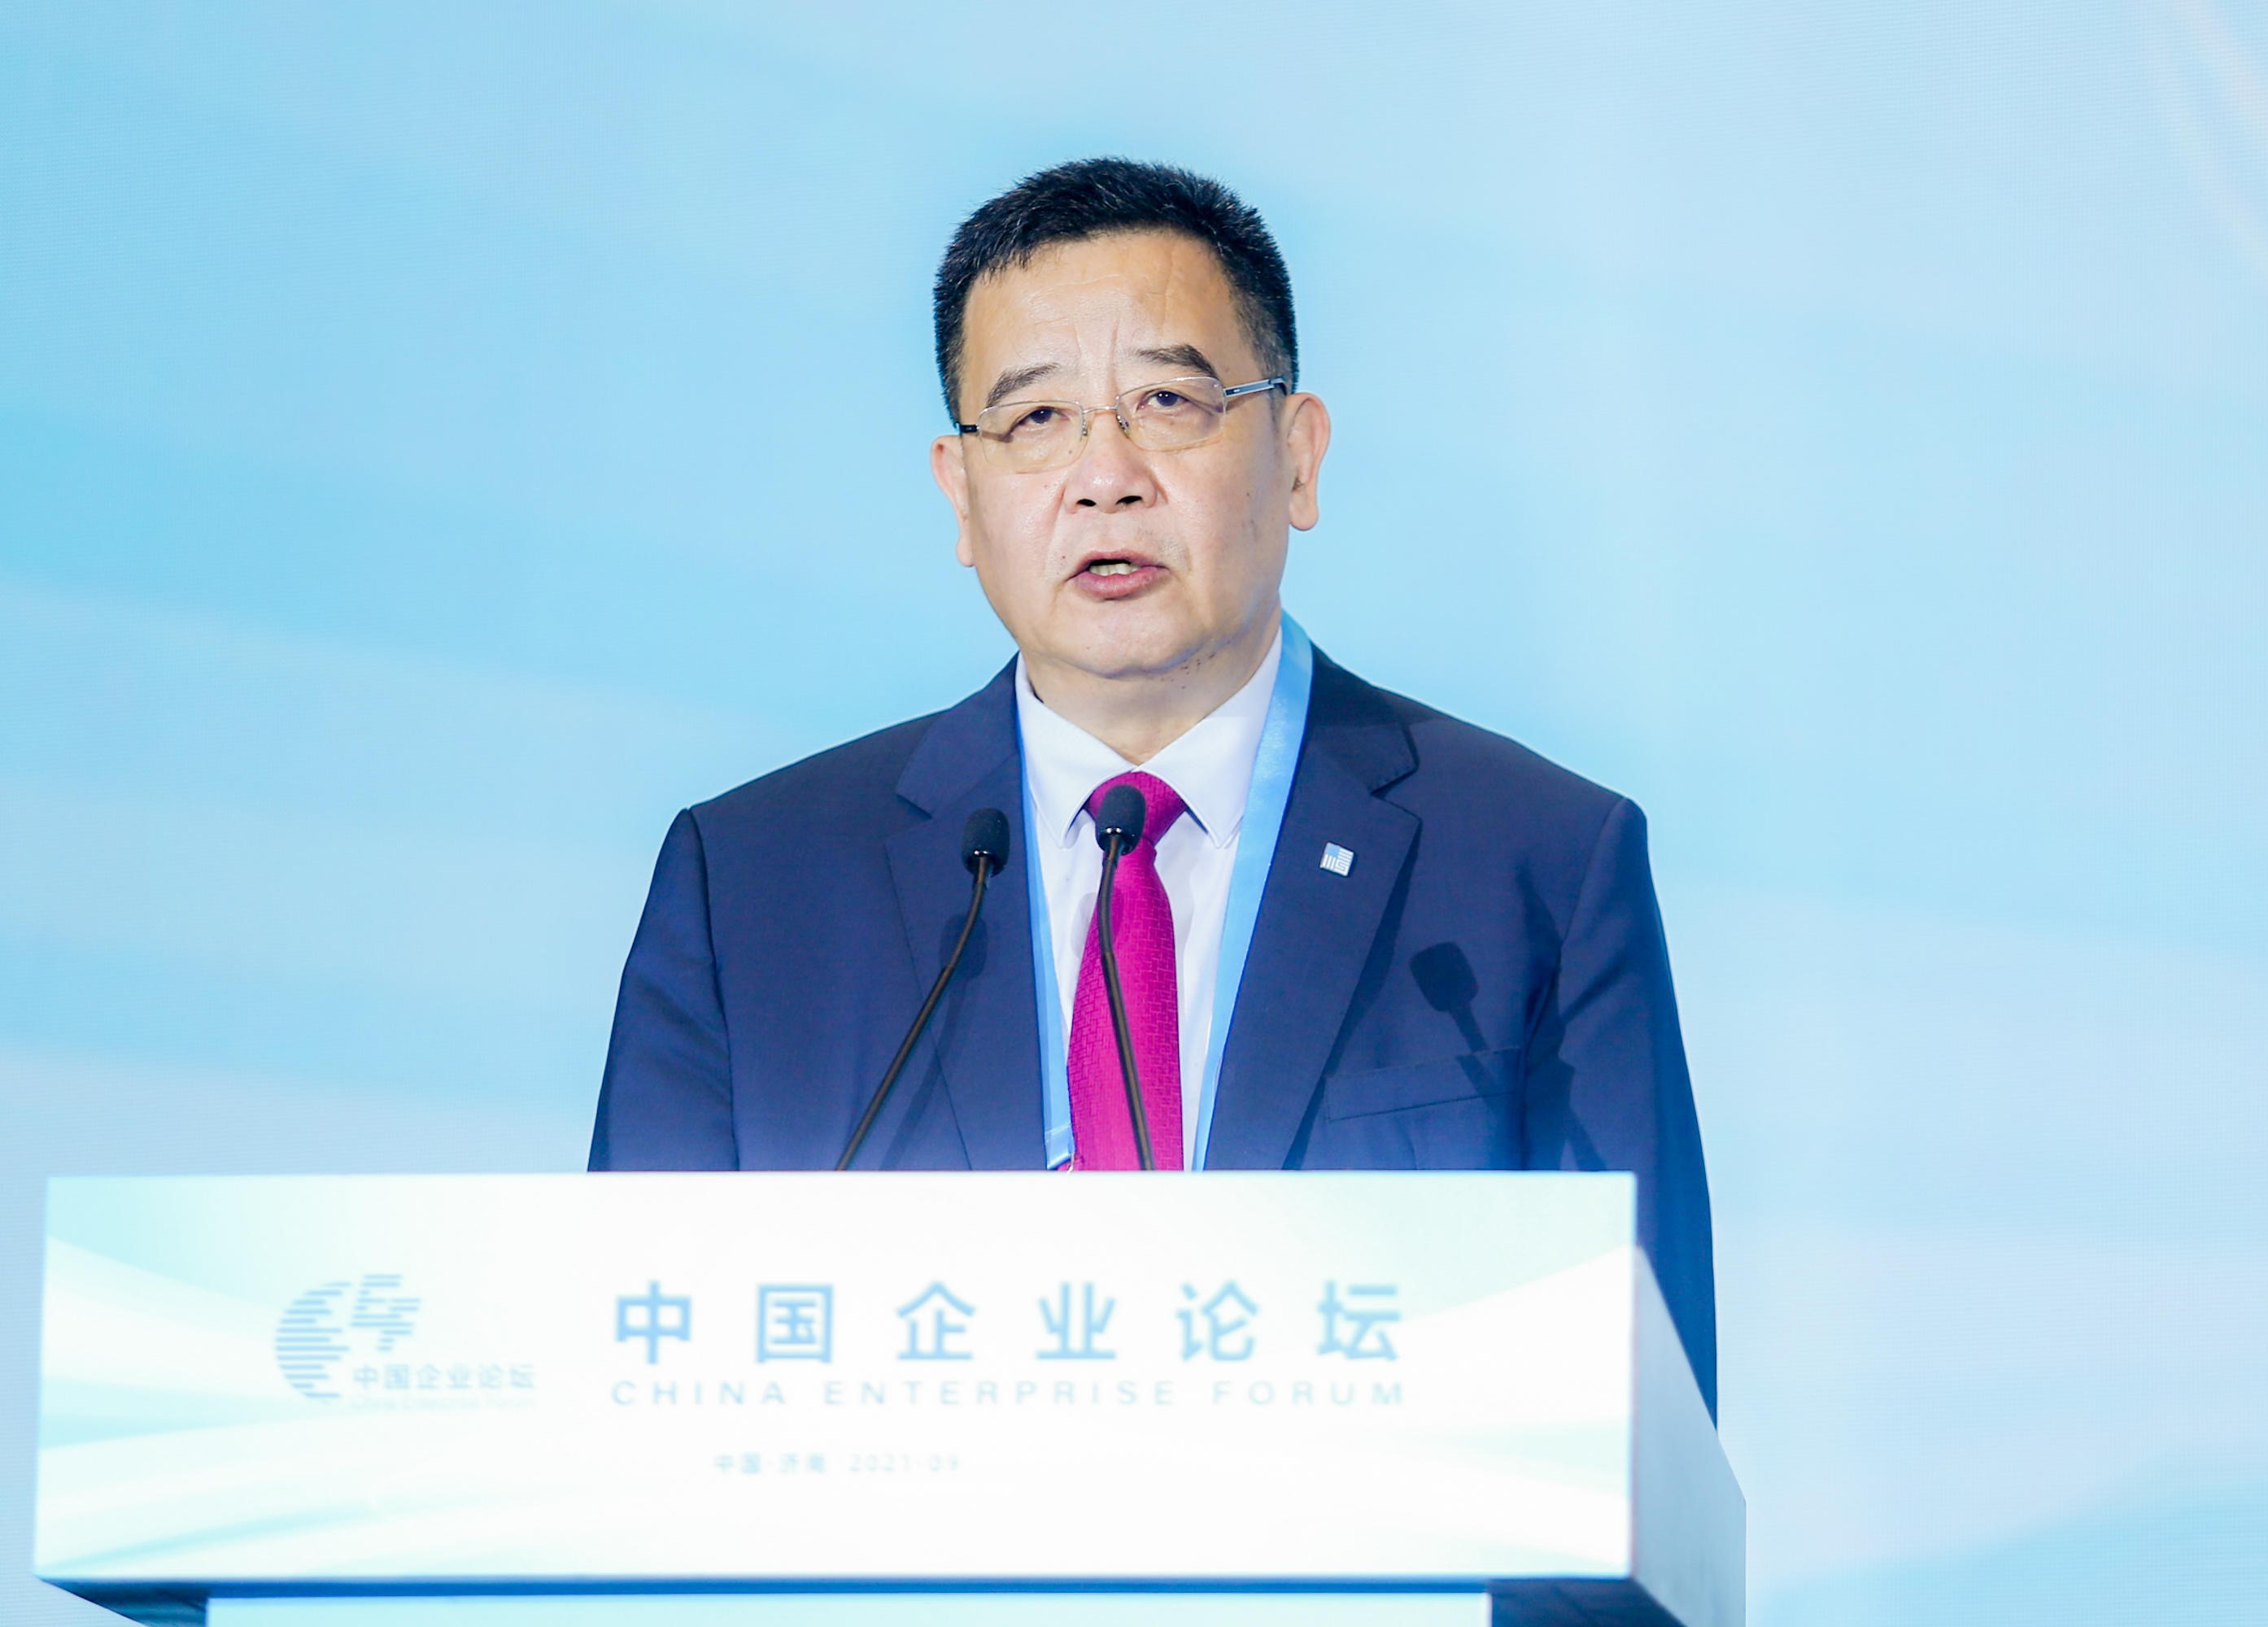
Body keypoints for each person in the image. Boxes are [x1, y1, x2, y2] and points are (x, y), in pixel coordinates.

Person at [589, 158, 1716, 1415]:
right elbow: (638, 1402)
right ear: (960, 492)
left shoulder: (1536, 863)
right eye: (1036, 420)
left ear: (1299, 457)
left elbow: (1643, 1433)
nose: (1105, 475)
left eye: (1169, 402)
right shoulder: (754, 891)